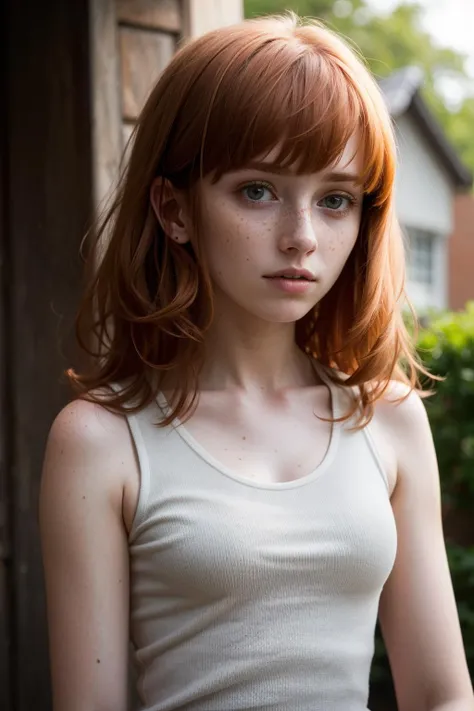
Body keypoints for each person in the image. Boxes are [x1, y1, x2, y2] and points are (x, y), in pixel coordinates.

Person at [39, 12, 474, 711]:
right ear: (174, 209)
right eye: (258, 191)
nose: (301, 237)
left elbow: (444, 694)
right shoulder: (100, 441)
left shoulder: (389, 420)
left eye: (335, 199)